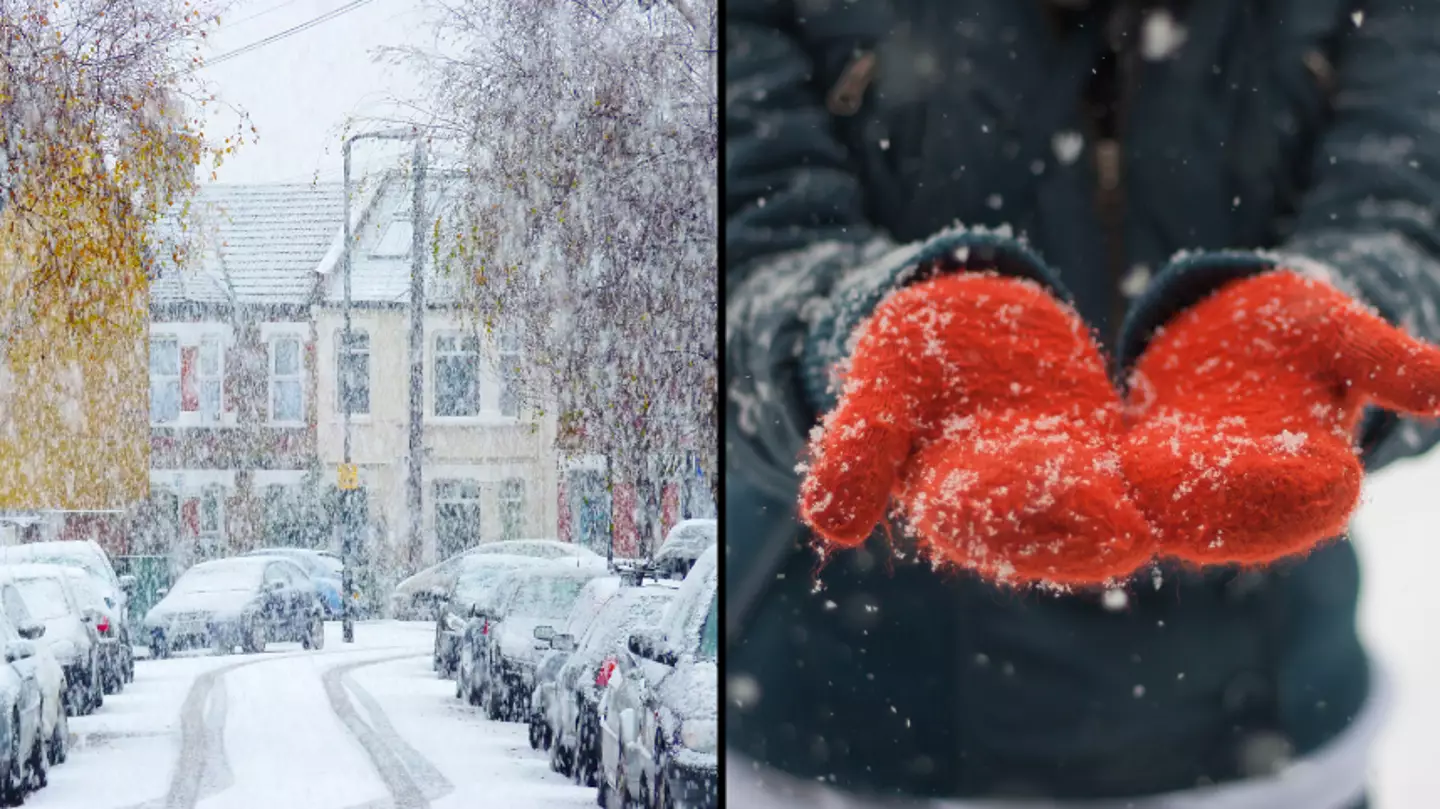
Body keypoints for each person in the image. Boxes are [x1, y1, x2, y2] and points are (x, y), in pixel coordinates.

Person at [724, 1, 1440, 807]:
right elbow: (741, 251)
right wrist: (848, 342)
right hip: (845, 722)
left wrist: (1357, 308)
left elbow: (1409, 215)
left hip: (1258, 735)